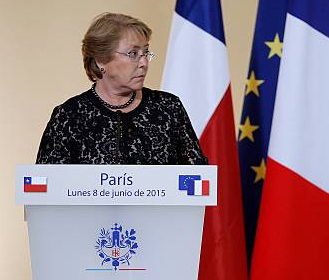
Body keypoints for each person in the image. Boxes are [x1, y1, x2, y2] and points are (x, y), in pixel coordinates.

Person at [36, 12, 207, 165]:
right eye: (133, 54)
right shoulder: (69, 116)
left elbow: (197, 180)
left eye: (146, 53)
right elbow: (48, 190)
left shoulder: (169, 108)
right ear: (100, 60)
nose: (144, 63)